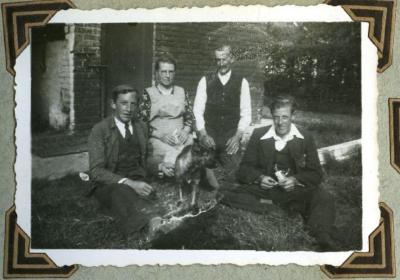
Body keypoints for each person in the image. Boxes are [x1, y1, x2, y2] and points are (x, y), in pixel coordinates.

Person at [234, 95, 337, 250]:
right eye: (276, 118)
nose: (280, 122)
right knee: (229, 193)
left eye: (285, 117)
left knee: (323, 197)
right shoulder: (259, 134)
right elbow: (243, 169)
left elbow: (316, 173)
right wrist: (259, 177)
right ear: (271, 116)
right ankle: (282, 209)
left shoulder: (305, 137)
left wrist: (295, 180)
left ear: (293, 116)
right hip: (266, 190)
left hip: (295, 191)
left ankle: (321, 236)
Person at [88, 84, 157, 234]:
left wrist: (161, 166)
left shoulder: (141, 126)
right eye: (123, 103)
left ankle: (154, 218)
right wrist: (130, 183)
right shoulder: (100, 129)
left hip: (138, 178)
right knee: (122, 194)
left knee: (154, 192)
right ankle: (151, 224)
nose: (129, 109)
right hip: (111, 183)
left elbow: (146, 159)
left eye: (133, 104)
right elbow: (96, 171)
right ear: (113, 104)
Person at [193, 45, 251, 186]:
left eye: (224, 59)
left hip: (229, 137)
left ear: (231, 58)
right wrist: (203, 134)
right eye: (218, 60)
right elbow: (197, 111)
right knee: (200, 173)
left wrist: (237, 137)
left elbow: (246, 113)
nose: (221, 64)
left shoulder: (242, 82)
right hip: (210, 135)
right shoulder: (205, 80)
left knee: (235, 176)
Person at [140, 55, 194, 178]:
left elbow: (190, 117)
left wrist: (185, 131)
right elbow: (142, 123)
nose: (167, 75)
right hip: (159, 139)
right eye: (163, 71)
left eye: (171, 72)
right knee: (173, 153)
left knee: (189, 150)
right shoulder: (148, 93)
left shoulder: (182, 92)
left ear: (175, 73)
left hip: (181, 138)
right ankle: (174, 171)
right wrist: (161, 136)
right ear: (157, 73)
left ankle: (177, 171)